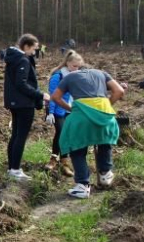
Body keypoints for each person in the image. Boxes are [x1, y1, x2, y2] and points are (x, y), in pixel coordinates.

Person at [51, 52, 124, 199]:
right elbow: (119, 91)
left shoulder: (70, 76)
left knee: (77, 148)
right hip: (104, 114)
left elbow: (55, 97)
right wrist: (106, 106)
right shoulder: (102, 73)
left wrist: (71, 109)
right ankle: (105, 174)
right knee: (104, 142)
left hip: (81, 117)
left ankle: (83, 186)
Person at [3, 34, 50, 181]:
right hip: (24, 103)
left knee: (16, 135)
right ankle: (16, 170)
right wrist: (40, 95)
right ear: (26, 46)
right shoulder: (23, 60)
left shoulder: (13, 58)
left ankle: (12, 168)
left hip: (15, 102)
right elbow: (21, 83)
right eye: (34, 49)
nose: (35, 52)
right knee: (20, 137)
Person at [44, 51, 77, 176]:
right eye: (74, 66)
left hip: (71, 109)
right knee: (61, 132)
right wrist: (50, 112)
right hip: (57, 110)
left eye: (78, 66)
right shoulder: (57, 76)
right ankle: (53, 160)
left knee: (67, 133)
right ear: (68, 63)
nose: (77, 68)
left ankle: (64, 161)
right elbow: (53, 95)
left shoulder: (76, 75)